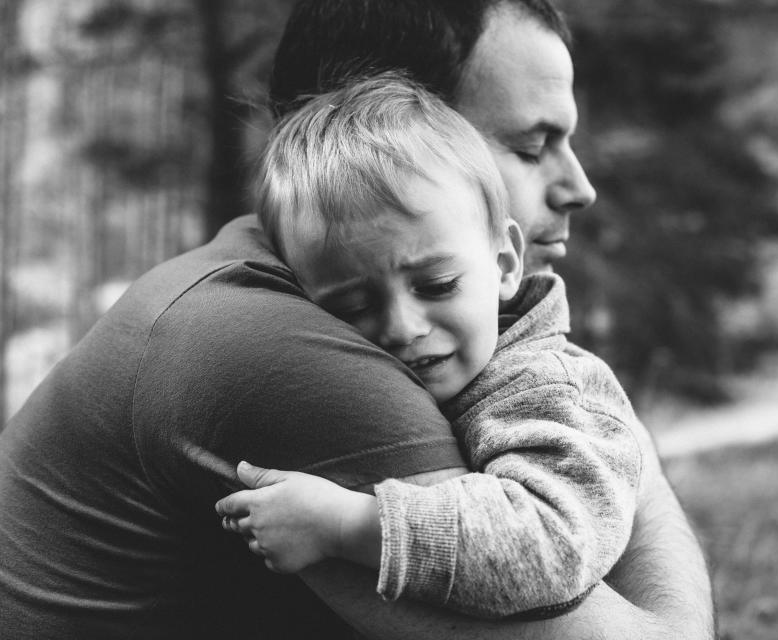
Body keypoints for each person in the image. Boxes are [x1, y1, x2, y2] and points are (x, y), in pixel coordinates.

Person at [0, 0, 713, 638]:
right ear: (394, 130)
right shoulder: (271, 348)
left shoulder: (299, 290)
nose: (579, 186)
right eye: (531, 145)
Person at [214, 75, 642, 620]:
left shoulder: (543, 386)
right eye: (350, 308)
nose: (401, 327)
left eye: (437, 285)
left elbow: (552, 545)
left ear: (505, 263)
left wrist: (345, 525)